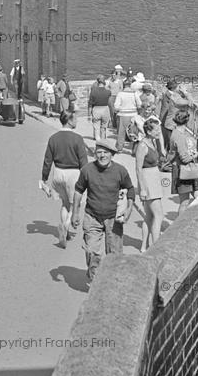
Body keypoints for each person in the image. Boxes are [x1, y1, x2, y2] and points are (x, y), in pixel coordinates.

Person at [71, 140, 135, 282]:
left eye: (106, 152)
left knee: (114, 255)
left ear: (112, 154)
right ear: (95, 154)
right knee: (92, 251)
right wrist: (75, 213)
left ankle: (112, 283)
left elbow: (130, 189)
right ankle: (96, 282)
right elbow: (78, 191)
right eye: (99, 152)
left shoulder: (120, 171)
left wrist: (129, 209)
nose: (102, 155)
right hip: (92, 216)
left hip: (114, 218)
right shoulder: (87, 170)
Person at [41, 112, 89, 248]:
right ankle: (66, 227)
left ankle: (64, 228)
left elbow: (47, 160)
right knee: (76, 204)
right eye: (75, 119)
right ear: (69, 120)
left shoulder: (53, 138)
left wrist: (44, 177)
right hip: (73, 174)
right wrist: (88, 178)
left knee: (64, 203)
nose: (77, 121)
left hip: (58, 173)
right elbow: (83, 161)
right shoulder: (78, 139)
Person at [135, 119, 167, 252]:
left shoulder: (152, 142)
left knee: (149, 216)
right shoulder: (142, 146)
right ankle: (156, 246)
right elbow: (138, 168)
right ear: (148, 131)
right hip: (148, 181)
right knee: (159, 215)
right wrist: (142, 188)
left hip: (153, 177)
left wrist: (160, 141)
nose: (159, 132)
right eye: (156, 130)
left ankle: (144, 246)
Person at [163, 110, 198, 216]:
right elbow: (184, 158)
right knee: (185, 202)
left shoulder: (178, 133)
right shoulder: (179, 135)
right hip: (183, 170)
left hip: (188, 170)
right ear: (187, 120)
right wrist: (195, 155)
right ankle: (180, 225)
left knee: (197, 196)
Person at [160, 80, 196, 150]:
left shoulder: (175, 95)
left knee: (171, 146)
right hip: (172, 125)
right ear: (176, 88)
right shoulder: (175, 98)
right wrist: (185, 92)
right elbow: (191, 102)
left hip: (172, 124)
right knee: (172, 147)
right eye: (179, 87)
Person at [113, 79, 142, 153]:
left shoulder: (120, 94)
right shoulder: (134, 93)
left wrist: (120, 109)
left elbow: (116, 106)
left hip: (123, 115)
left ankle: (119, 148)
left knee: (121, 132)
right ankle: (134, 149)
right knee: (134, 132)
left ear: (123, 85)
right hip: (133, 115)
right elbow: (139, 104)